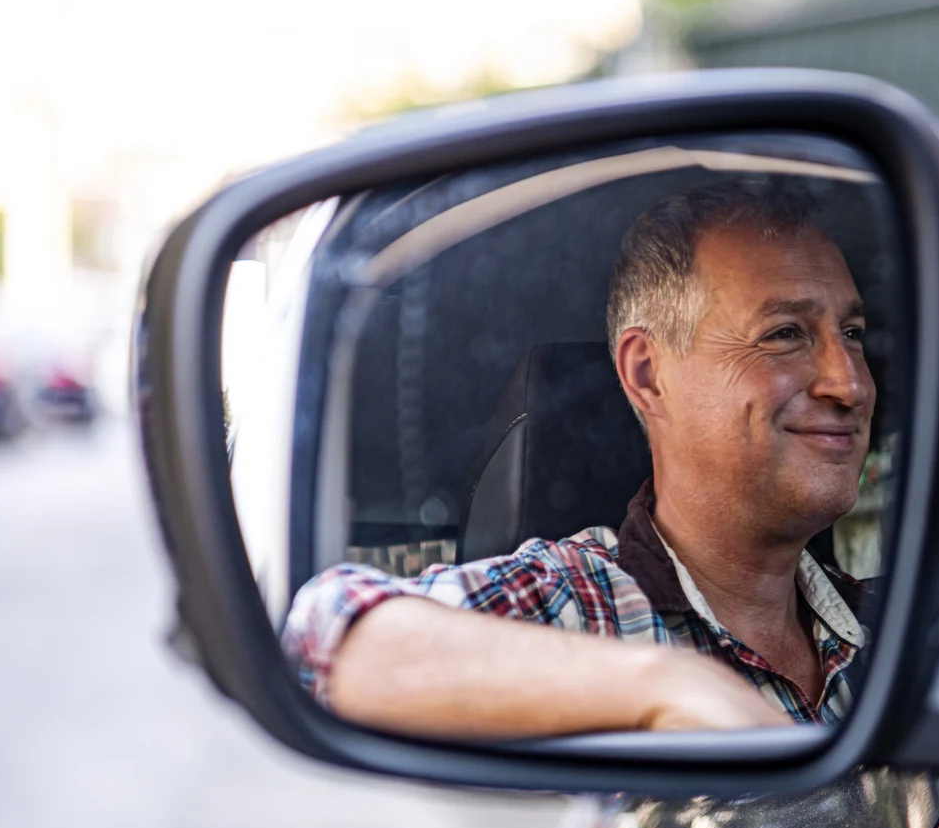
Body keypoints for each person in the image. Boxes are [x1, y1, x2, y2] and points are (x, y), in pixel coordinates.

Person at [281, 178, 875, 737]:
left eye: (852, 333)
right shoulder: (576, 605)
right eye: (783, 334)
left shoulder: (887, 622)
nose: (850, 385)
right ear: (648, 375)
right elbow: (325, 633)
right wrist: (665, 683)